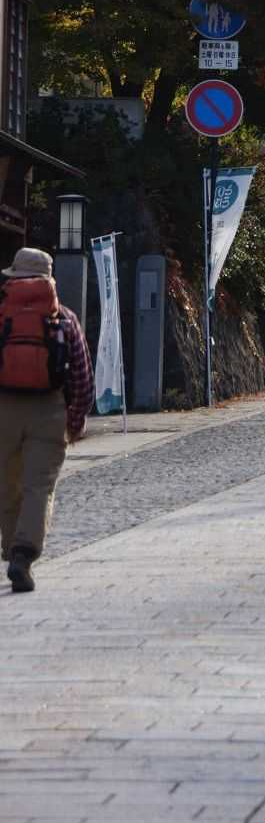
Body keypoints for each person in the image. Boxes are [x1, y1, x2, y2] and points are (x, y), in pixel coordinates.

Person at [0, 247, 94, 593]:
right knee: (38, 486)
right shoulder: (64, 318)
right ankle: (23, 555)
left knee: (6, 484)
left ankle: (11, 548)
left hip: (4, 409)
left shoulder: (2, 315)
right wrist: (75, 421)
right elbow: (82, 377)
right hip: (49, 410)